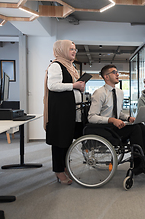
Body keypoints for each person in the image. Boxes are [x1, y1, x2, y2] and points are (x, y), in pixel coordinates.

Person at [88, 64, 145, 174]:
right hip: (104, 128)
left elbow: (118, 113)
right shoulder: (99, 93)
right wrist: (111, 120)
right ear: (106, 76)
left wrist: (128, 118)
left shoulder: (119, 92)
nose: (118, 74)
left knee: (140, 126)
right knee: (135, 130)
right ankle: (138, 163)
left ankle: (144, 154)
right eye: (114, 72)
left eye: (117, 72)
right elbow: (91, 117)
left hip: (115, 126)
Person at [43, 40, 85, 185]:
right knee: (59, 141)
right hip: (60, 111)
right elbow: (53, 85)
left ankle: (64, 167)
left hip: (69, 110)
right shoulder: (56, 65)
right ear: (61, 50)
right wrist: (74, 85)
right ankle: (58, 171)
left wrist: (79, 87)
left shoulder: (70, 66)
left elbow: (70, 87)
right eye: (71, 49)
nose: (74, 51)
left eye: (75, 49)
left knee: (66, 140)